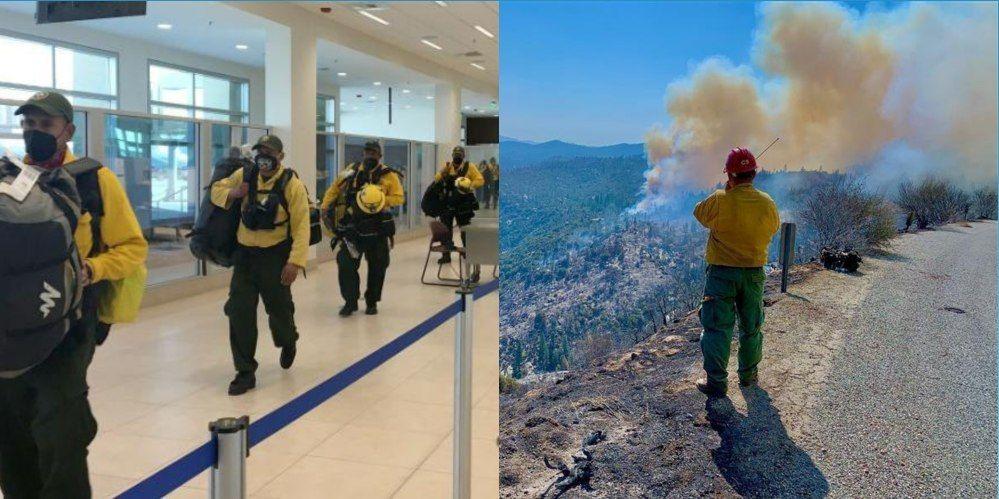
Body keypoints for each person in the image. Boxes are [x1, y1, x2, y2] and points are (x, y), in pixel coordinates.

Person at [0, 91, 148, 497]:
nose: (35, 133)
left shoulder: (93, 179)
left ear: (68, 130)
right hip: (9, 327)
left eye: (45, 125)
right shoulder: (8, 176)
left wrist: (92, 269)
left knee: (60, 432)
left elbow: (133, 247)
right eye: (28, 125)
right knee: (10, 437)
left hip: (68, 325)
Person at [211, 134, 310, 396]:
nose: (263, 157)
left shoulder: (291, 184)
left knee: (279, 311)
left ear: (280, 156)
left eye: (269, 152)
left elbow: (301, 227)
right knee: (239, 311)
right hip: (245, 256)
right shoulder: (245, 175)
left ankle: (288, 341)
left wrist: (295, 262)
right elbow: (215, 189)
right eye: (260, 152)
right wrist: (234, 192)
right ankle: (245, 371)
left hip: (275, 257)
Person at [692, 147, 780, 398]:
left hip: (721, 274)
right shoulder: (767, 202)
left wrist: (727, 193)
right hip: (753, 274)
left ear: (730, 176)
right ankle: (749, 377)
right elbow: (773, 228)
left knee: (718, 328)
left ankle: (717, 383)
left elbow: (699, 213)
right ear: (754, 174)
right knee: (751, 326)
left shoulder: (719, 200)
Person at [321, 141, 404, 317]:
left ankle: (372, 301)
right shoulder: (351, 171)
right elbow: (334, 189)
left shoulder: (389, 175)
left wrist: (379, 200)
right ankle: (350, 302)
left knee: (378, 266)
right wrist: (325, 206)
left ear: (380, 156)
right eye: (367, 153)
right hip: (353, 228)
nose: (370, 156)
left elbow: (399, 198)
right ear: (363, 154)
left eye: (373, 153)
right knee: (345, 263)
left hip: (378, 227)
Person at [435, 146, 484, 264]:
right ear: (452, 156)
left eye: (459, 155)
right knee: (445, 231)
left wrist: (469, 186)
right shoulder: (448, 167)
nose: (457, 157)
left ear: (463, 156)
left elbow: (480, 179)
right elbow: (436, 179)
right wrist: (443, 172)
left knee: (465, 229)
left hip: (463, 204)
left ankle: (467, 252)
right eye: (455, 155)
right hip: (448, 204)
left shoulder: (469, 167)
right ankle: (446, 255)